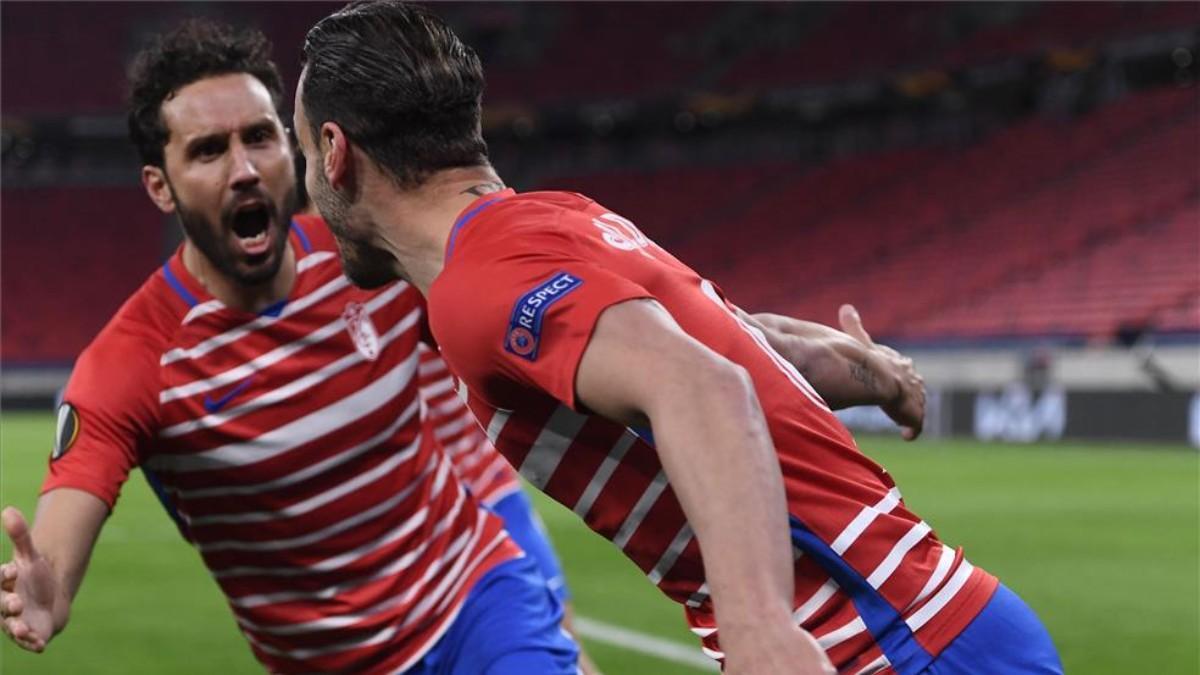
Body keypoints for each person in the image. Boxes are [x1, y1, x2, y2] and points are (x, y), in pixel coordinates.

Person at [293, 2, 1065, 674]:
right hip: (942, 625)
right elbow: (739, 342)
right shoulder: (561, 219)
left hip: (879, 645)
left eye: (301, 155)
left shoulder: (476, 289)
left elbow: (703, 384)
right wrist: (869, 371)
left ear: (336, 152)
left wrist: (761, 631)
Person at [0, 20, 580, 674]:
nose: (245, 169)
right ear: (159, 185)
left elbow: (507, 345)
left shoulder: (372, 256)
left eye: (259, 137)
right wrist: (47, 588)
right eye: (208, 150)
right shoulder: (135, 363)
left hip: (476, 600)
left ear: (291, 144)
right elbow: (58, 532)